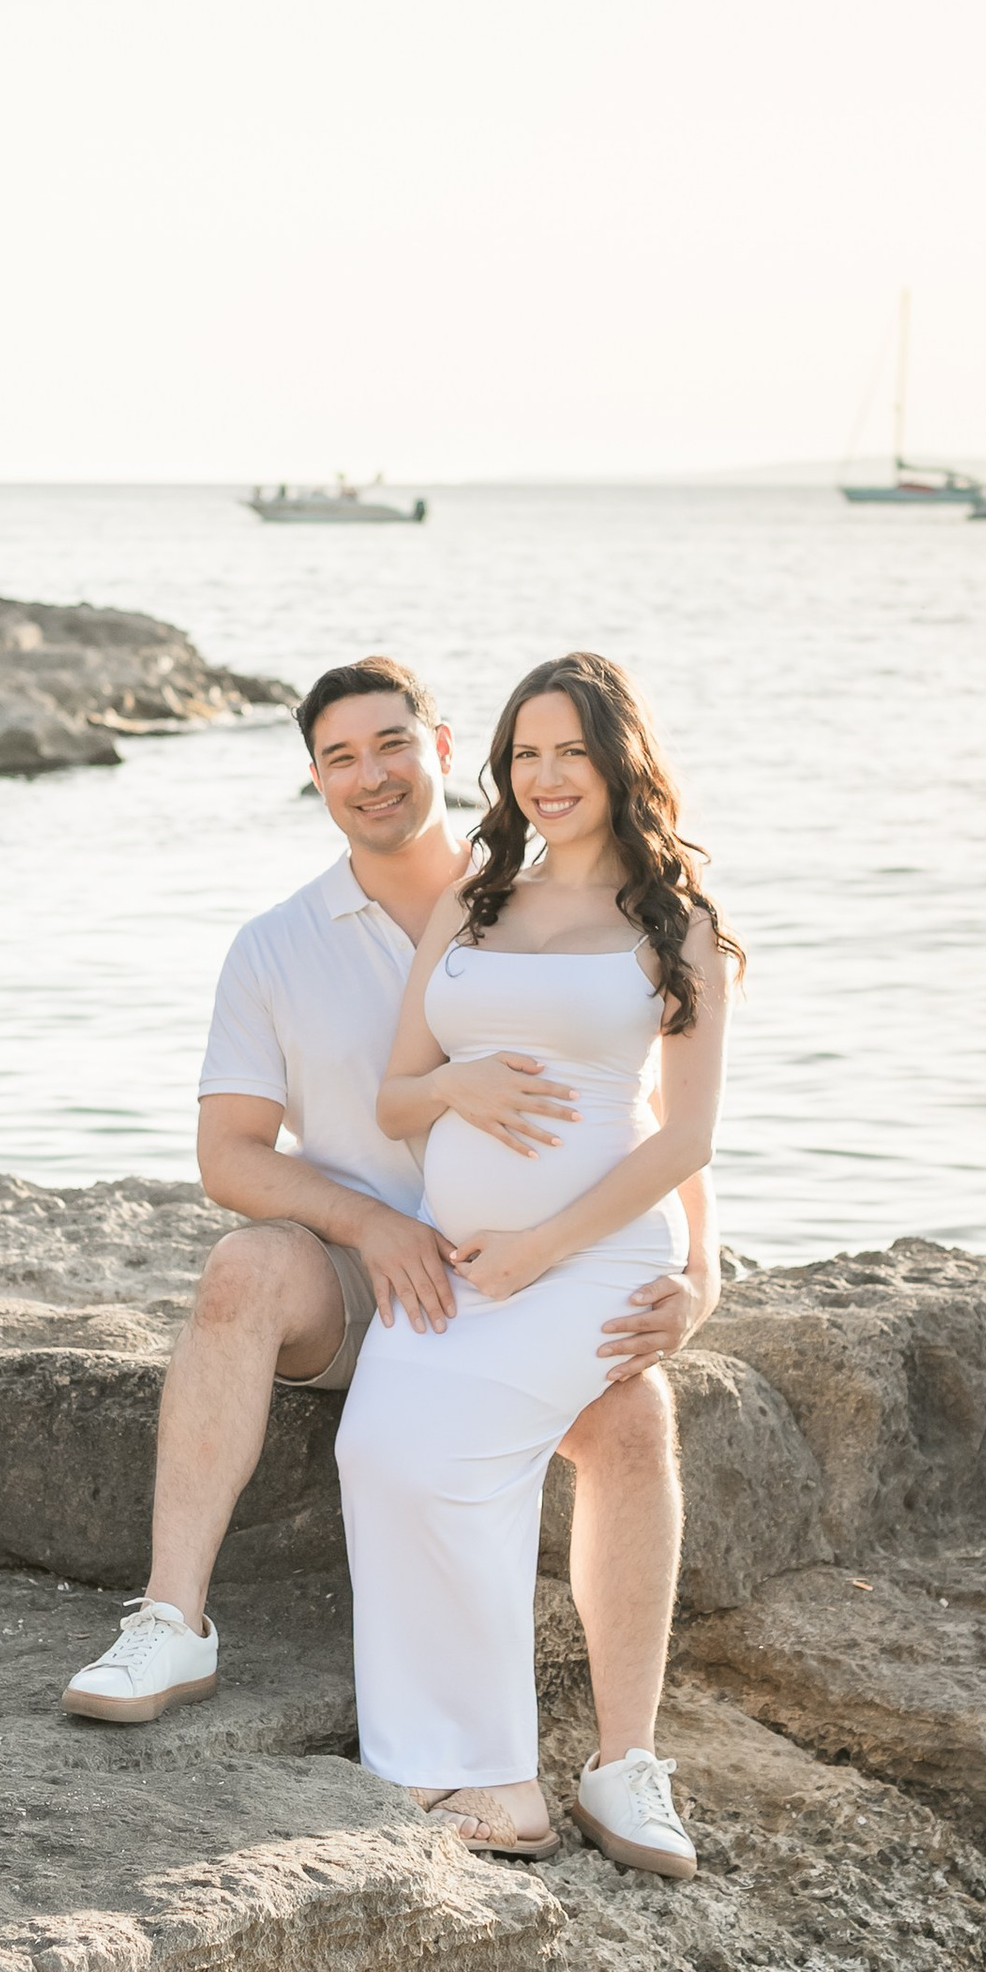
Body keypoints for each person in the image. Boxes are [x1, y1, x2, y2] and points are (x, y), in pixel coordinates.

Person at [63, 654, 716, 1877]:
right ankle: (187, 1631)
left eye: (390, 745)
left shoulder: (552, 896)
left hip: (542, 1267)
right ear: (313, 779)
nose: (369, 776)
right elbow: (241, 1152)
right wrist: (379, 1221)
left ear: (437, 746)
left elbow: (657, 1114)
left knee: (636, 1411)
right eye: (338, 758)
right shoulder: (307, 941)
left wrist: (702, 1268)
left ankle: (618, 1764)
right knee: (305, 1348)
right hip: (389, 1275)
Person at [340, 653, 739, 1880]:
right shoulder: (473, 903)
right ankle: (452, 1766)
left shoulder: (675, 926)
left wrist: (553, 1251)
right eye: (526, 755)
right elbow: (396, 1095)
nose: (548, 777)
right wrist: (455, 1085)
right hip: (464, 1265)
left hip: (594, 1258)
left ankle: (548, 1777)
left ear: (620, 762)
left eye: (572, 752)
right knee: (375, 1451)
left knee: (460, 1457)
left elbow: (684, 1135)